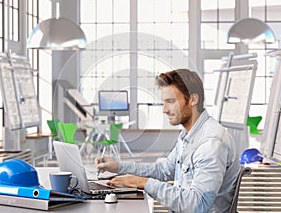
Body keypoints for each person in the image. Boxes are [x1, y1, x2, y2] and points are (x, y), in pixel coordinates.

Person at [96, 69, 240, 213]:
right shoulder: (188, 135)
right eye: (164, 102)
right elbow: (163, 170)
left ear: (193, 99)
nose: (164, 110)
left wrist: (143, 183)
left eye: (170, 102)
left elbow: (197, 204)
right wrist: (118, 167)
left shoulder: (211, 143)